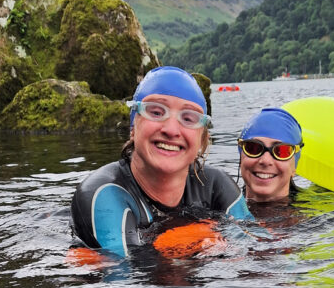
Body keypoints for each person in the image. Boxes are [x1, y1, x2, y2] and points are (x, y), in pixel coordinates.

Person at [71, 66, 251, 257]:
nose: (172, 130)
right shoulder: (104, 194)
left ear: (201, 138)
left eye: (189, 118)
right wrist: (194, 241)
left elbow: (257, 249)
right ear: (133, 126)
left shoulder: (215, 185)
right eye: (156, 112)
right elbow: (124, 275)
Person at [237, 107, 303, 203]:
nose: (265, 161)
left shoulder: (317, 213)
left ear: (294, 168)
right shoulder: (218, 204)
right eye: (253, 148)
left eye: (281, 151)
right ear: (241, 158)